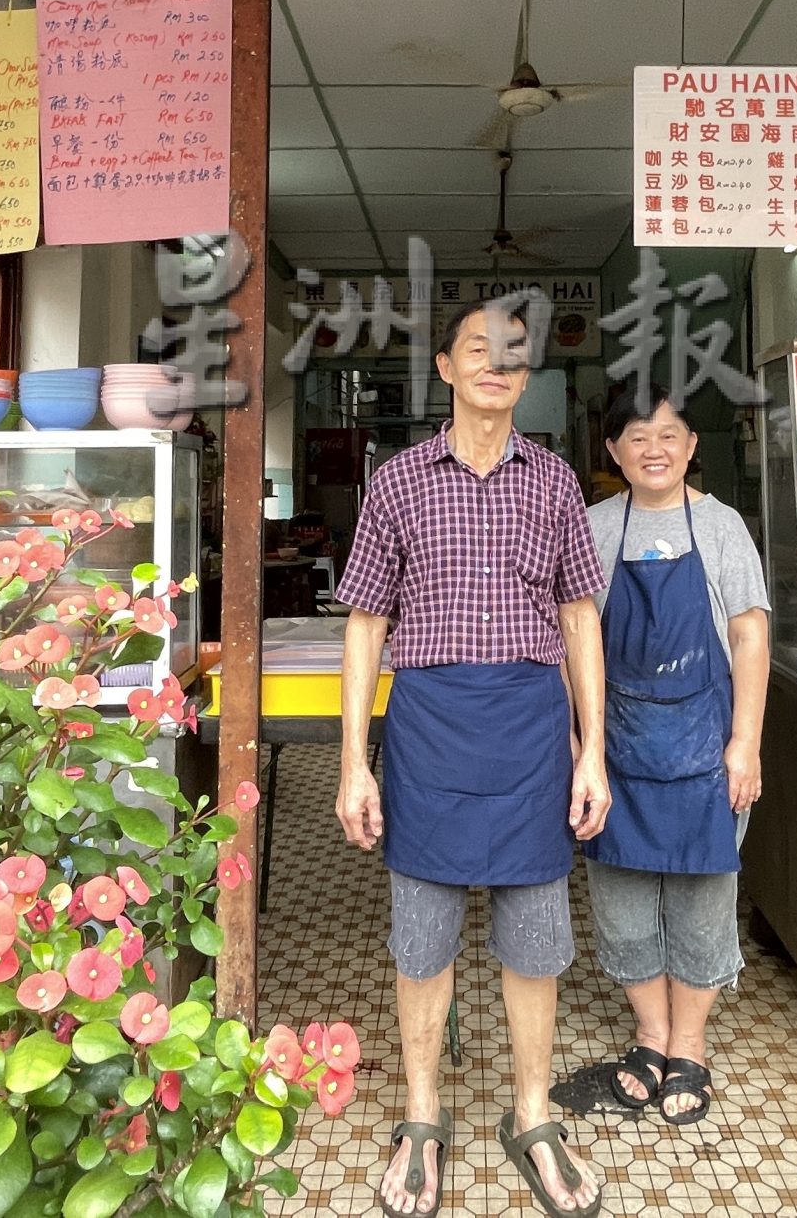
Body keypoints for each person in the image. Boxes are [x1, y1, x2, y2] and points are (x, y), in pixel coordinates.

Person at [335, 301, 612, 1218]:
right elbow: (366, 623)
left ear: (525, 380)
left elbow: (580, 619)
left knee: (535, 940)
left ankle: (533, 1115)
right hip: (428, 723)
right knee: (423, 940)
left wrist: (593, 753)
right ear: (447, 368)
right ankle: (422, 1113)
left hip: (533, 730)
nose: (496, 365)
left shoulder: (557, 483)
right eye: (477, 350)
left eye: (512, 356)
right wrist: (351, 762)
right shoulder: (400, 480)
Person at [557, 389, 771, 1127]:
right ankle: (650, 1033)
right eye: (637, 435)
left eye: (670, 433)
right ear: (612, 450)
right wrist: (583, 748)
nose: (655, 447)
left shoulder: (720, 528)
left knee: (703, 904)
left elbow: (748, 637)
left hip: (706, 750)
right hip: (616, 748)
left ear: (690, 446)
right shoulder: (590, 529)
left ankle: (691, 1043)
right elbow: (569, 644)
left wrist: (745, 742)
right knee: (620, 910)